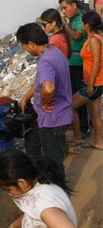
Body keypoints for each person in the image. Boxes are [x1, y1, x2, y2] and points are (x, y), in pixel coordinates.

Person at [17, 23, 72, 180]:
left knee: (53, 162)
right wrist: (28, 96)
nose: (25, 49)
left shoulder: (45, 61)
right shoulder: (54, 51)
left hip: (53, 119)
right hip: (61, 115)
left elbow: (48, 88)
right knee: (48, 153)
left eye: (24, 46)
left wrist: (43, 103)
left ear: (31, 44)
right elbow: (42, 83)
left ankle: (57, 193)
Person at [0, 149, 83, 228]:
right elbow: (33, 215)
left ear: (22, 183)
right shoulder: (39, 181)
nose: (8, 194)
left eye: (8, 189)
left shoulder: (46, 208)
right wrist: (13, 227)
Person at [59, 0, 91, 139]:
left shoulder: (80, 19)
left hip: (79, 64)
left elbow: (77, 36)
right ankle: (78, 124)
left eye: (65, 8)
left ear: (74, 5)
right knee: (72, 93)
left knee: (79, 96)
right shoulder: (72, 19)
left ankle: (84, 127)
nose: (64, 11)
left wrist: (65, 24)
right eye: (62, 9)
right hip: (71, 62)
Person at [71, 11, 103, 149]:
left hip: (94, 84)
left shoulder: (95, 40)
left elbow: (96, 63)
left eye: (83, 23)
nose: (81, 26)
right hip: (97, 82)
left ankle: (77, 137)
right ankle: (98, 141)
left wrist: (90, 84)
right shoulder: (96, 38)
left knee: (69, 105)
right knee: (95, 112)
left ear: (88, 25)